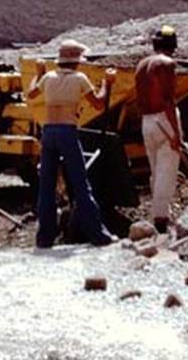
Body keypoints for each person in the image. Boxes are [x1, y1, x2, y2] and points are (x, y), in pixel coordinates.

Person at [27, 39, 116, 249]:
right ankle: (98, 235)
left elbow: (31, 93)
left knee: (46, 186)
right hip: (67, 131)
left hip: (48, 132)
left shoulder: (48, 78)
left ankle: (44, 238)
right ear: (77, 61)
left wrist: (37, 73)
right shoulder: (79, 78)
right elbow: (98, 102)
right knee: (80, 184)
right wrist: (106, 83)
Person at [134, 25, 182, 235]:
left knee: (156, 170)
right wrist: (176, 133)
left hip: (147, 121)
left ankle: (159, 214)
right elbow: (167, 100)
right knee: (167, 172)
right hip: (163, 120)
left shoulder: (141, 65)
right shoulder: (166, 64)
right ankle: (161, 220)